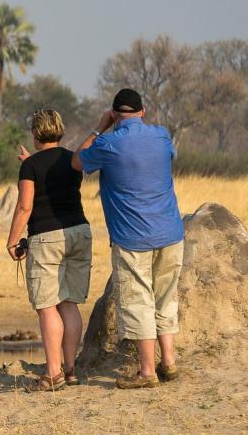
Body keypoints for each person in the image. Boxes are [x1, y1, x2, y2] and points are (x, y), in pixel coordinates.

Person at [72, 88, 185, 389]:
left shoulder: (108, 143)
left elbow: (77, 163)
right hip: (170, 233)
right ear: (142, 111)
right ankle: (169, 363)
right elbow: (170, 155)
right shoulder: (161, 136)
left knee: (138, 301)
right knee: (165, 297)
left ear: (113, 113)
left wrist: (99, 128)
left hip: (132, 237)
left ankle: (147, 372)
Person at [6, 109, 93, 391]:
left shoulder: (30, 166)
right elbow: (55, 176)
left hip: (47, 237)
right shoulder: (72, 159)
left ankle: (52, 373)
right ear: (60, 130)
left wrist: (12, 240)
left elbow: (25, 206)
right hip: (79, 231)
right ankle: (70, 370)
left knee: (46, 306)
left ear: (34, 135)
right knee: (69, 303)